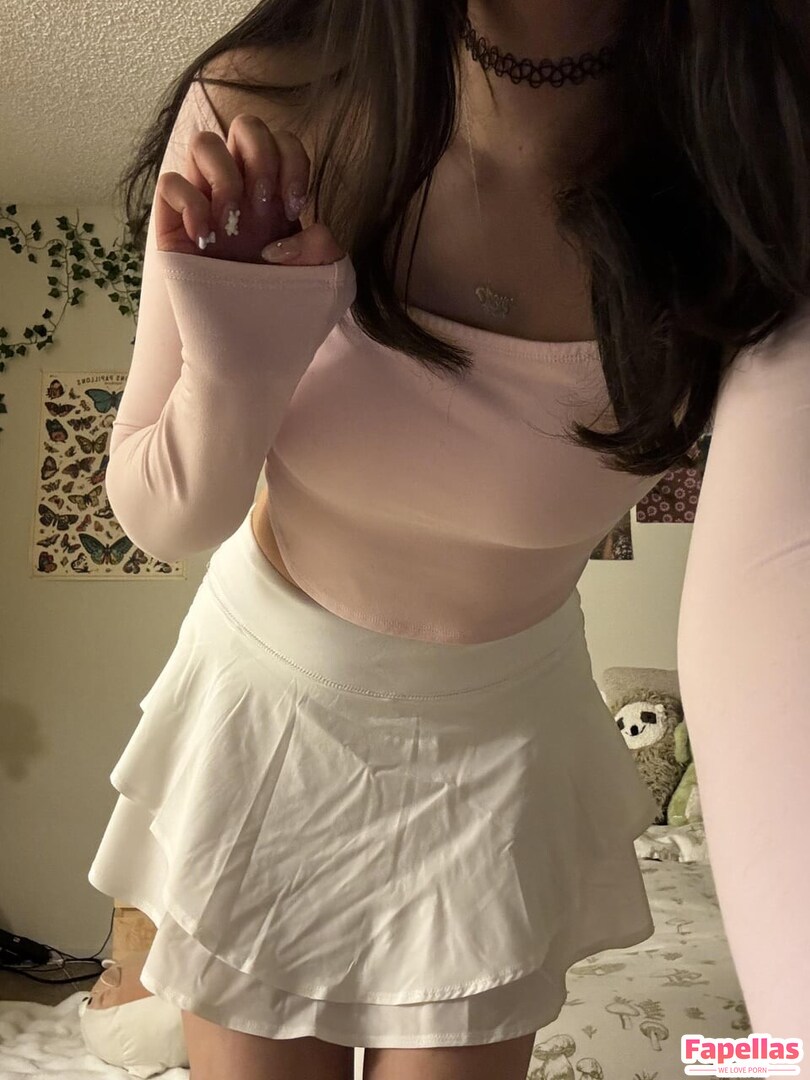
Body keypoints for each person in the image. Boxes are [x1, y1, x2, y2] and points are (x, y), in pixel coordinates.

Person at [87, 1, 810, 1078]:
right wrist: (235, 361)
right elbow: (162, 515)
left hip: (501, 753)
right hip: (269, 719)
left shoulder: (752, 139)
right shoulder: (272, 99)